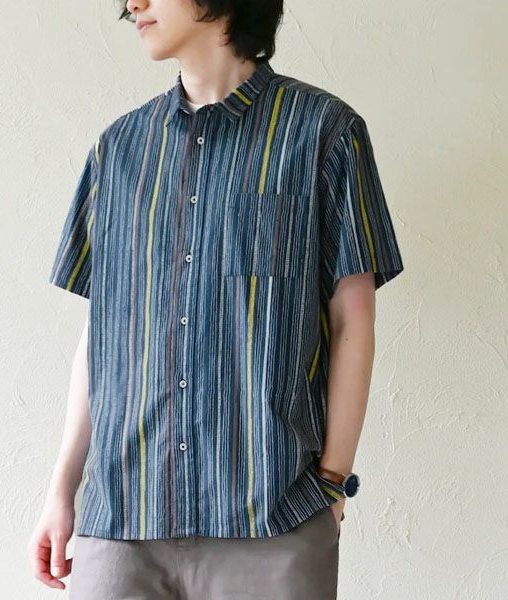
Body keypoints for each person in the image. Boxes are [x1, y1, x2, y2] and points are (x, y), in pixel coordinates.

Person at [28, 0, 405, 598]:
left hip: (271, 521)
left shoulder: (324, 135)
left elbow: (352, 320)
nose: (132, 4)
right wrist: (61, 490)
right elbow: (103, 334)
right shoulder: (118, 151)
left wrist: (333, 484)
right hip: (121, 520)